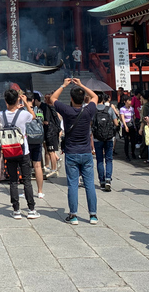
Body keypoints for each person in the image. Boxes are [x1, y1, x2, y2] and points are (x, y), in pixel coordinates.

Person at [50, 77, 99, 226]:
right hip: (86, 152)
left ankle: (74, 215)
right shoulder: (89, 110)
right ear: (84, 98)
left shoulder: (67, 110)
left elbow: (53, 98)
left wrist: (63, 85)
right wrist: (81, 85)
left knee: (73, 184)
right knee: (89, 184)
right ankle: (93, 215)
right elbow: (95, 96)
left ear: (71, 98)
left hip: (71, 152)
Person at [1, 89, 40, 220]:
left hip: (9, 150)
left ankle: (16, 210)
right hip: (23, 150)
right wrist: (24, 101)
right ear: (17, 100)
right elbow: (33, 116)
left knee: (13, 181)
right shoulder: (23, 114)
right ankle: (31, 209)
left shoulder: (2, 115)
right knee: (27, 181)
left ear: (6, 101)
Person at [93, 92, 120, 191]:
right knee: (109, 159)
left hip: (97, 138)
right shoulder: (109, 109)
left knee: (99, 159)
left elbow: (91, 124)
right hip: (109, 137)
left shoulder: (94, 110)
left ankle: (102, 181)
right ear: (104, 99)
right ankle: (108, 179)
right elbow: (116, 123)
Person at [120, 96, 138, 161]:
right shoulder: (122, 109)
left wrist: (135, 126)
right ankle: (127, 155)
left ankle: (133, 153)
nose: (130, 102)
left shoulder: (132, 109)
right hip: (126, 125)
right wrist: (125, 126)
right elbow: (122, 118)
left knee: (133, 141)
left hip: (132, 125)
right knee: (126, 141)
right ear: (125, 101)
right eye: (129, 100)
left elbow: (133, 118)